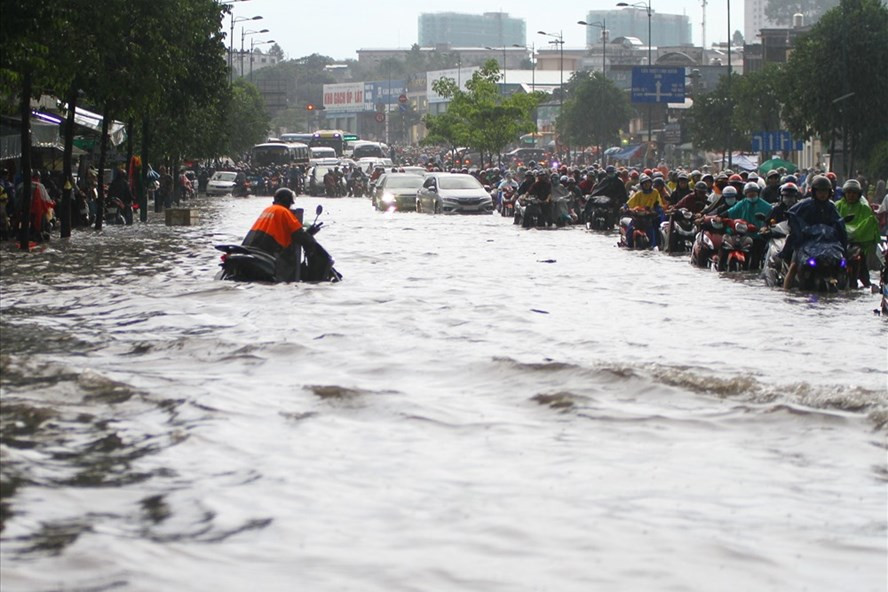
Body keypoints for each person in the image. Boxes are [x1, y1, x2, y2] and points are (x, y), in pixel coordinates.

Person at [781, 175, 848, 290]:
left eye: (825, 191)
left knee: (843, 264)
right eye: (820, 191)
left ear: (830, 192)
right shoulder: (805, 204)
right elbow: (791, 214)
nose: (822, 194)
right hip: (806, 242)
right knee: (794, 267)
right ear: (814, 192)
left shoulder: (831, 207)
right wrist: (801, 229)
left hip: (828, 244)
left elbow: (839, 223)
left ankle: (848, 288)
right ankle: (785, 291)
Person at [242, 188, 319, 283]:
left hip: (253, 248)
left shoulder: (269, 209)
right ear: (288, 201)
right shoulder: (284, 212)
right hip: (269, 251)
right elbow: (298, 233)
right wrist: (311, 242)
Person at [835, 179, 880, 287]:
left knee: (861, 260)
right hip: (838, 242)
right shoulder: (837, 206)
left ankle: (866, 282)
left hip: (856, 243)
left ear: (858, 194)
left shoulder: (864, 208)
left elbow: (868, 225)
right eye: (849, 192)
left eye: (854, 193)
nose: (851, 195)